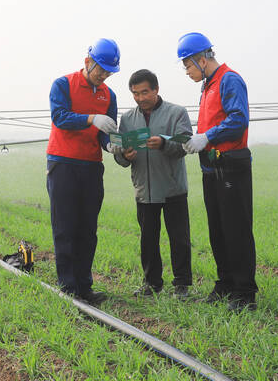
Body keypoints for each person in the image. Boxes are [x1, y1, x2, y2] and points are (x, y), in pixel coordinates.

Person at [178, 32, 258, 312]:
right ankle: (225, 283)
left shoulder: (229, 80)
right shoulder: (208, 85)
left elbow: (238, 120)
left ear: (202, 59)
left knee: (236, 229)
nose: (187, 71)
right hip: (211, 165)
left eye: (188, 65)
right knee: (218, 229)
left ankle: (245, 292)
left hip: (231, 165)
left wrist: (207, 137)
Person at [46, 38, 120, 305]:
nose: (103, 76)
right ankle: (67, 287)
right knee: (65, 227)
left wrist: (110, 146)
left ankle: (85, 286)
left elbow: (105, 131)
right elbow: (60, 117)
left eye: (109, 72)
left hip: (91, 166)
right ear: (88, 62)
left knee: (87, 229)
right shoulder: (63, 84)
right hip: (63, 163)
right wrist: (90, 118)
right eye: (100, 69)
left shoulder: (109, 95)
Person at [112, 69, 193, 300]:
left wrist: (164, 143)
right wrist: (124, 156)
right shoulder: (127, 119)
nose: (140, 98)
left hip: (172, 187)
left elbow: (185, 143)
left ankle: (182, 285)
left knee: (179, 238)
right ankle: (151, 283)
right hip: (144, 189)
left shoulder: (177, 113)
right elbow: (119, 150)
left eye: (144, 92)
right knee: (148, 239)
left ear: (156, 89)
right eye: (135, 93)